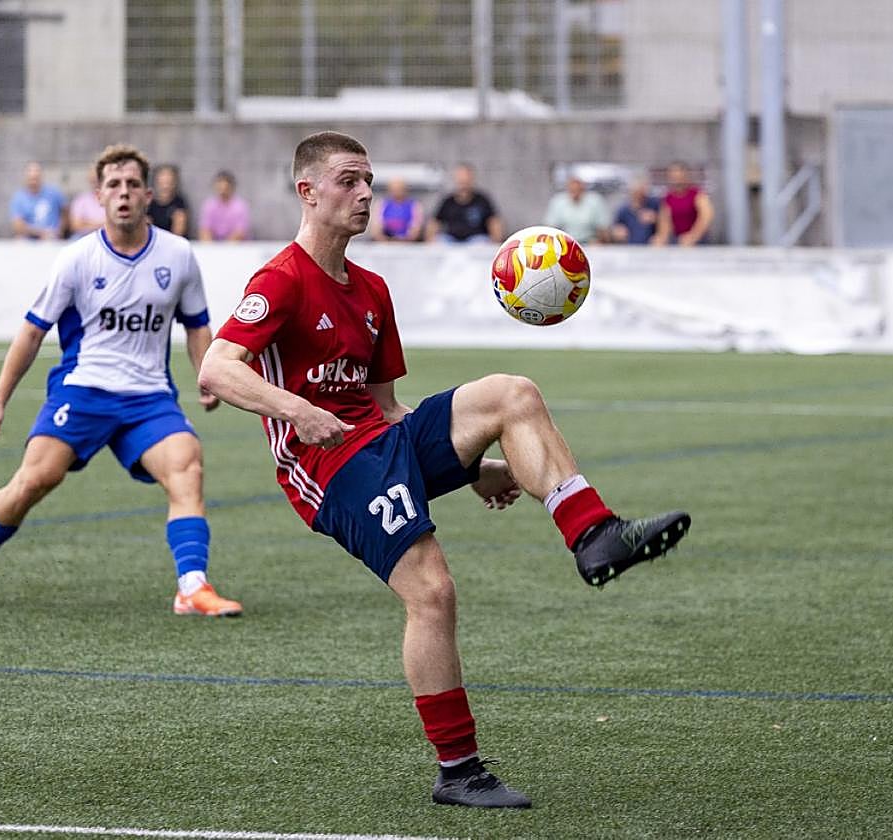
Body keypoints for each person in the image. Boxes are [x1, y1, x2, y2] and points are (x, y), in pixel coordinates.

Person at [199, 131, 691, 808]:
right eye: (348, 181)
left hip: (379, 441)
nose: (365, 193)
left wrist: (476, 466)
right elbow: (216, 367)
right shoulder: (281, 278)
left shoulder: (372, 290)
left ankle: (594, 533)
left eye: (368, 181)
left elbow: (387, 409)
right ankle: (458, 771)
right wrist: (298, 411)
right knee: (432, 590)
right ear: (307, 192)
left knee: (513, 394)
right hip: (327, 466)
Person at [0, 143, 242, 618]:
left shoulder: (179, 255)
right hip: (83, 390)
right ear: (98, 196)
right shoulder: (77, 259)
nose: (123, 193)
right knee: (34, 480)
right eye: (113, 185)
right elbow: (32, 333)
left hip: (148, 397)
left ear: (147, 195)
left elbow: (198, 324)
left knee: (187, 467)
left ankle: (192, 586)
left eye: (133, 184)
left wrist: (207, 376)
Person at [425, 163, 503, 244]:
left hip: (476, 240)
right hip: (451, 241)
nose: (463, 180)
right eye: (460, 177)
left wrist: (496, 241)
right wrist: (429, 240)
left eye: (466, 177)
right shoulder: (448, 201)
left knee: (482, 243)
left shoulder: (482, 200)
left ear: (472, 178)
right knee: (439, 242)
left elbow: (494, 221)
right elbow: (434, 222)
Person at [652, 162, 714, 247]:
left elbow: (706, 217)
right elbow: (665, 223)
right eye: (673, 176)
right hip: (677, 239)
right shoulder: (667, 198)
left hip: (698, 240)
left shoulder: (697, 195)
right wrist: (661, 238)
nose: (676, 178)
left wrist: (693, 236)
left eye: (678, 175)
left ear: (685, 175)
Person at [9, 161, 69, 240]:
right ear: (26, 178)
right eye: (31, 178)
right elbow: (17, 226)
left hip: (52, 238)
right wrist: (40, 233)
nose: (34, 181)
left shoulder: (54, 192)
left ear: (41, 176)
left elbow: (65, 212)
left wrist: (59, 231)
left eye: (36, 178)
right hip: (28, 238)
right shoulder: (19, 197)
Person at [543, 174, 610, 244]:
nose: (575, 192)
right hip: (564, 242)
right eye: (572, 190)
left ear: (583, 189)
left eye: (578, 190)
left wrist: (601, 242)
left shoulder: (595, 200)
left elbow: (603, 228)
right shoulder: (558, 201)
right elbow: (550, 227)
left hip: (590, 242)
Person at [198, 170, 251, 242]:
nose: (222, 190)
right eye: (220, 186)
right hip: (214, 245)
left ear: (232, 187)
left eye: (226, 187)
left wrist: (225, 247)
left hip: (236, 246)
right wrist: (209, 246)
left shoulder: (240, 206)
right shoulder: (209, 205)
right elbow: (204, 230)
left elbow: (240, 233)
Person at [369, 176, 424, 242]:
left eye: (399, 189)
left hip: (408, 243)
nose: (397, 192)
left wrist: (402, 241)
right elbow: (376, 229)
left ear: (405, 190)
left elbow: (415, 231)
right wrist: (386, 241)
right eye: (394, 189)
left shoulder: (414, 206)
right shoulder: (381, 205)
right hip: (385, 242)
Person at [610, 179, 660, 245]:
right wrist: (617, 232)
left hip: (650, 246)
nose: (638, 196)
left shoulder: (654, 204)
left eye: (641, 192)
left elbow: (665, 223)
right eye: (636, 192)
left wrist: (655, 219)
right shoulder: (623, 210)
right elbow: (615, 229)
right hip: (630, 247)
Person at [148, 164, 190, 238]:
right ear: (156, 182)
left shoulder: (179, 203)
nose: (165, 186)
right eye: (162, 182)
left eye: (169, 182)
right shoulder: (149, 203)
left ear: (175, 182)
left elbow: (178, 233)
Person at [67, 170, 105, 238]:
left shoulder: (112, 199)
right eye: (93, 180)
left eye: (97, 180)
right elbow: (75, 226)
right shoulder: (81, 200)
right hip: (83, 237)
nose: (95, 183)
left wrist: (86, 222)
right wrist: (101, 224)